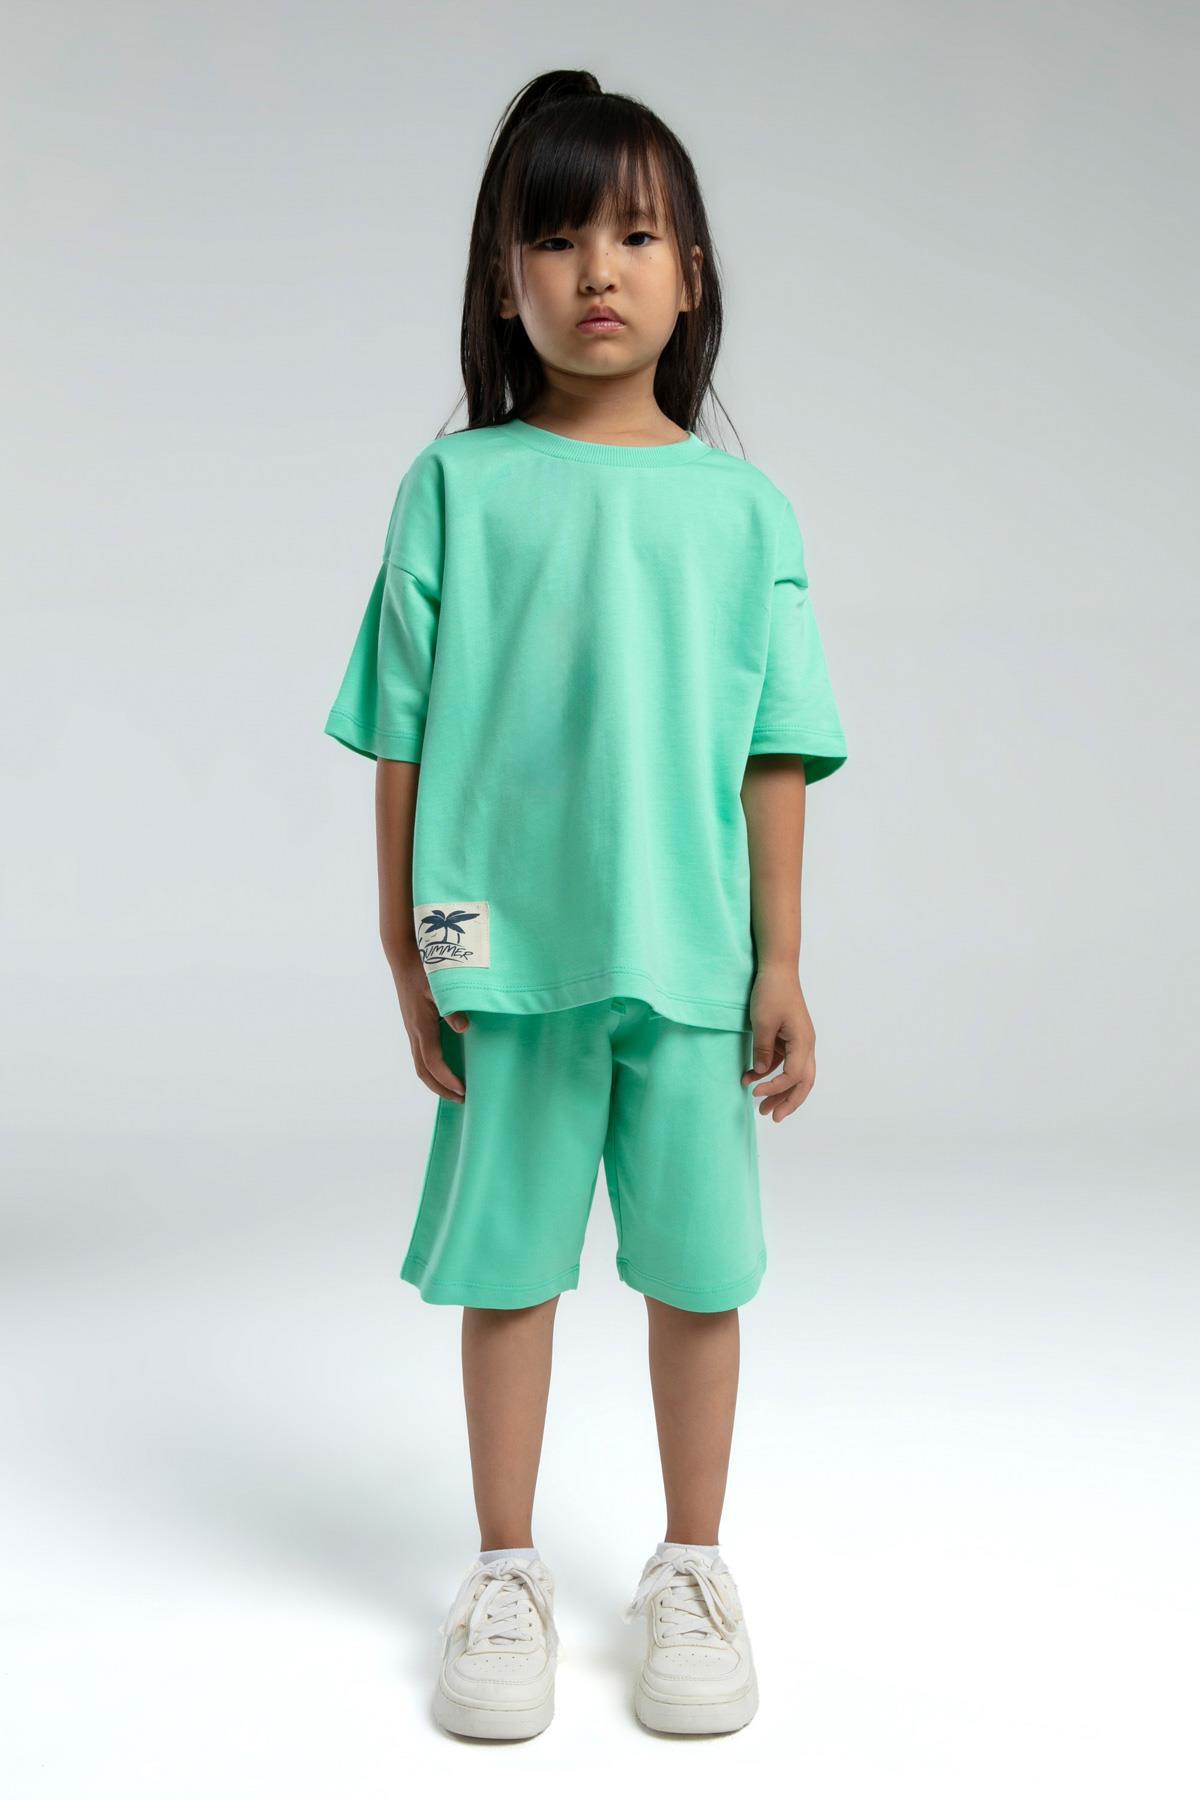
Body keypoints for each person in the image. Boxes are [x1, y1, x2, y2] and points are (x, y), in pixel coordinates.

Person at [322, 69, 849, 1740]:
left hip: (691, 961)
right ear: (505, 281)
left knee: (700, 1275)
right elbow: (402, 731)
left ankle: (692, 1565)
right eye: (554, 240)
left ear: (692, 275)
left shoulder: (746, 512)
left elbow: (776, 749)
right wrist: (406, 946)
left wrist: (781, 957)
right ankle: (504, 1572)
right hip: (506, 954)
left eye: (633, 235)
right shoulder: (455, 488)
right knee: (511, 1269)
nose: (595, 271)